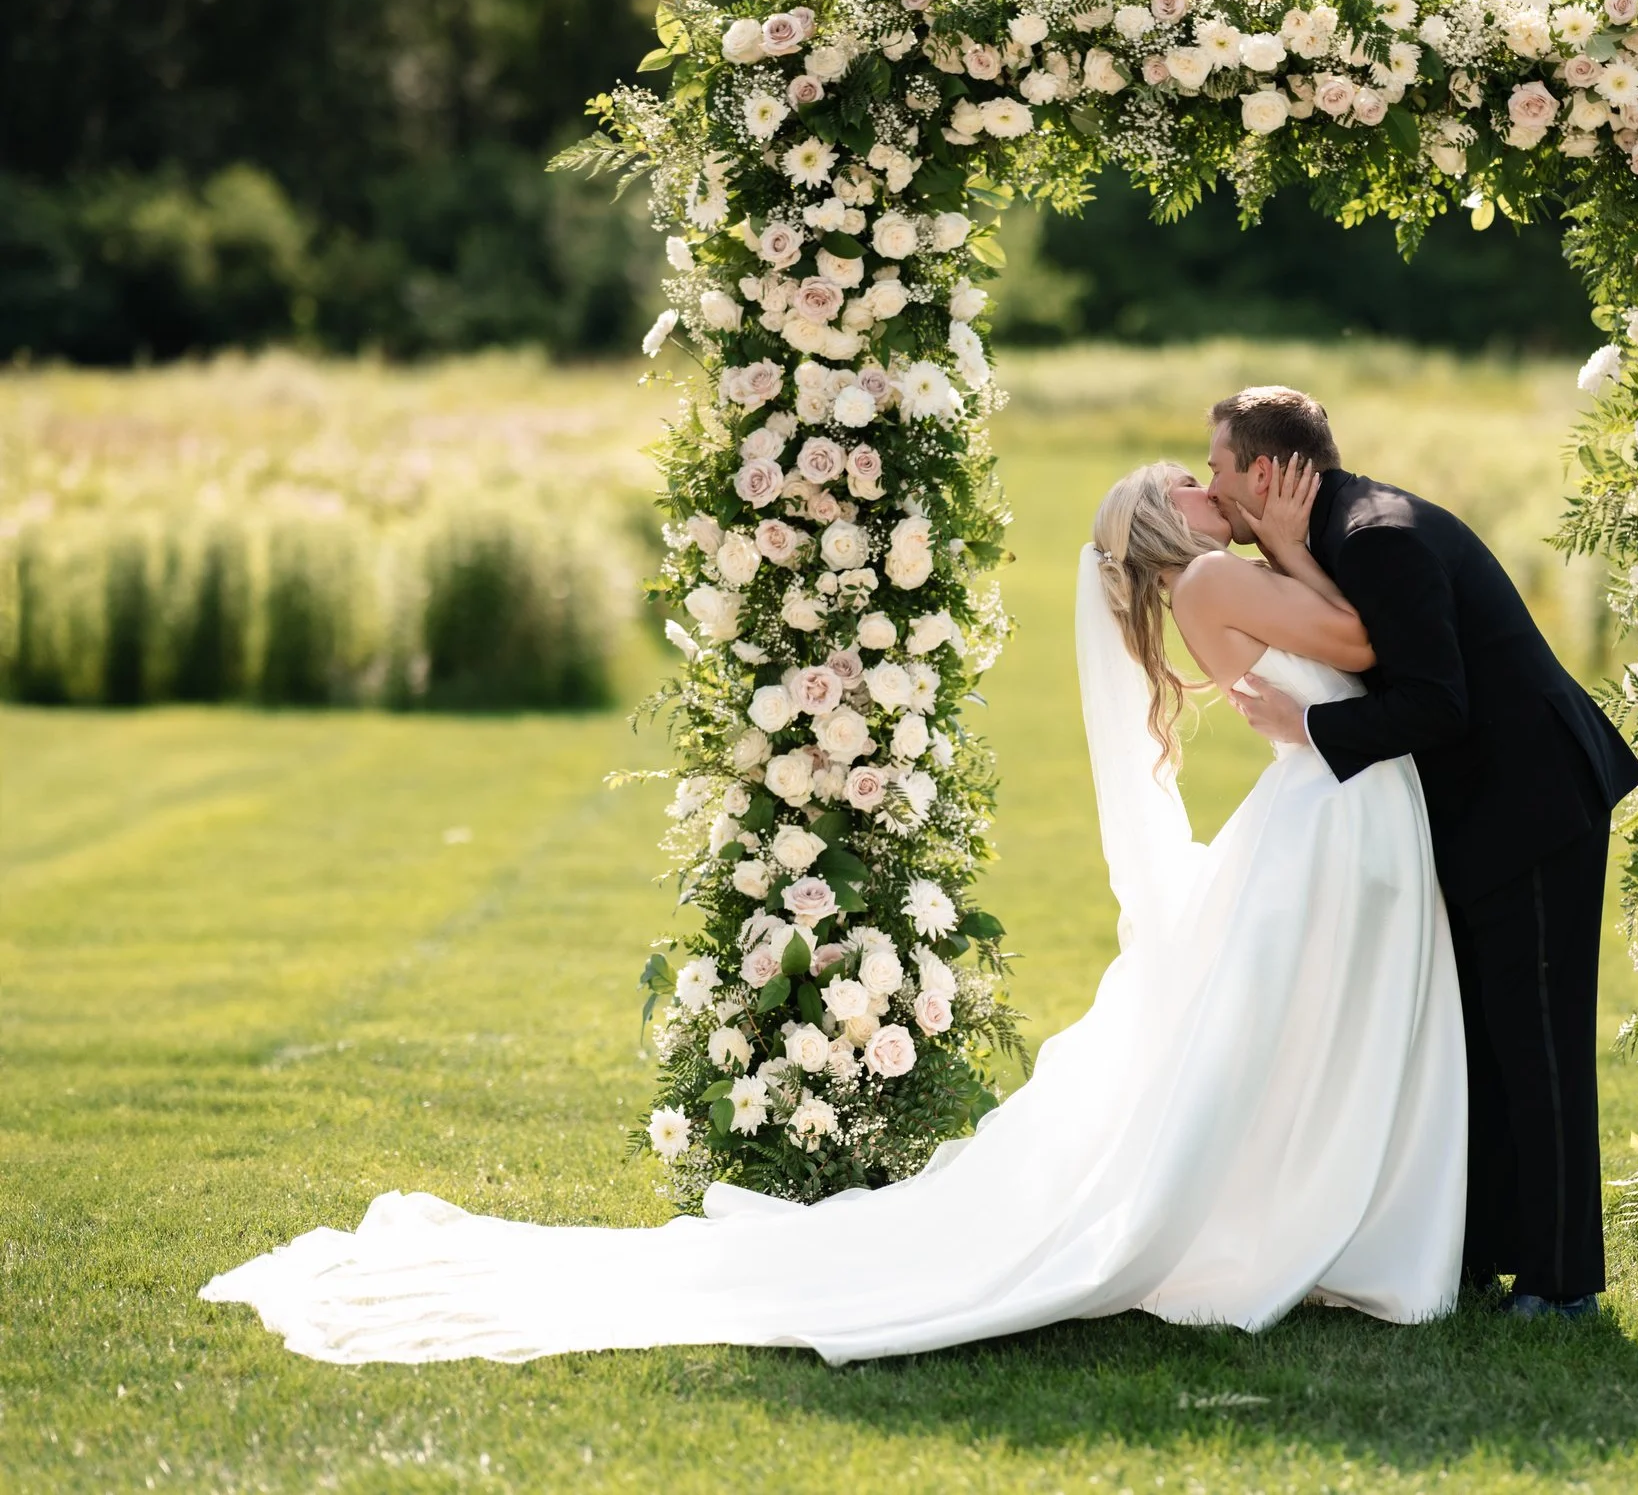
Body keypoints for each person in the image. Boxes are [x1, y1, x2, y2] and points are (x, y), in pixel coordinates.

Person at [200, 461, 1468, 1364]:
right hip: (1329, 807)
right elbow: (1362, 642)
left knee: (1308, 1030)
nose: (1214, 484)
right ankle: (1303, 1224)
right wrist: (1297, 542)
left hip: (1336, 801)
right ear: (1164, 523)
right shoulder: (1214, 579)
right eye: (1191, 483)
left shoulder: (1218, 575)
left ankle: (1330, 1212)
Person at [1211, 387, 1638, 1319]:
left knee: (1537, 1042)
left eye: (1216, 465)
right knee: (1481, 1039)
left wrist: (1308, 724)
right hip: (1482, 810)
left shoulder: (1378, 537)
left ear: (1262, 471)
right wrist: (1285, 552)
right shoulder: (1333, 535)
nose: (1210, 483)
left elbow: (1438, 701)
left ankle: (1562, 1284)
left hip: (1534, 804)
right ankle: (1487, 1250)